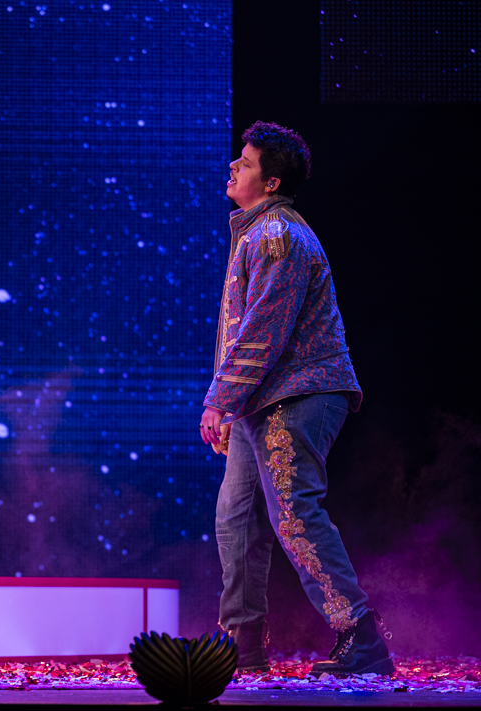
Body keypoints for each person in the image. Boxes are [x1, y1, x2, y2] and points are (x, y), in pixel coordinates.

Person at [199, 122, 393, 676]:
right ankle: (242, 647)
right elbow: (244, 332)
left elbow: (263, 331)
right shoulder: (255, 233)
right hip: (260, 398)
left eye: (245, 162)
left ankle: (361, 636)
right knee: (236, 517)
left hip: (299, 392)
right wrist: (232, 403)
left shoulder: (277, 235)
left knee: (294, 513)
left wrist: (219, 400)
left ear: (271, 182)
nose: (233, 166)